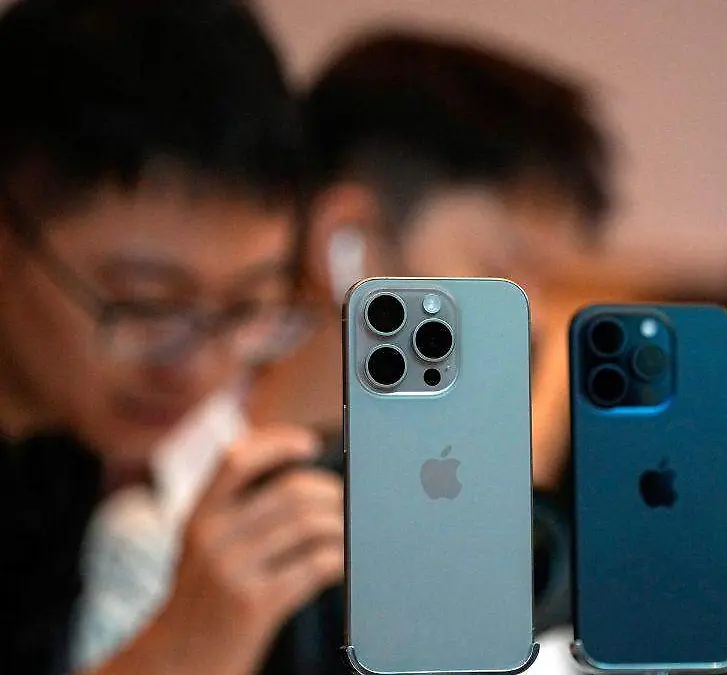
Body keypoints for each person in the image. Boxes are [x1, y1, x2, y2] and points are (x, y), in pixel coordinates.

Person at [0, 2, 343, 674]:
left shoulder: (67, 454)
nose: (198, 367)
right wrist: (176, 655)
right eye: (147, 305)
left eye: (248, 306)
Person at [248, 29, 615, 490]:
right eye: (498, 271)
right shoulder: (183, 504)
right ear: (350, 246)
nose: (535, 317)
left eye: (551, 287)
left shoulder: (486, 503)